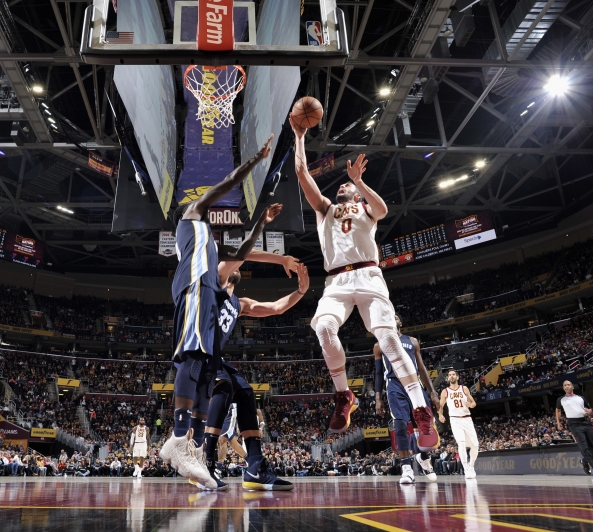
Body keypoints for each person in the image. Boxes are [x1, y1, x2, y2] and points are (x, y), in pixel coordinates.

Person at [290, 117, 439, 449]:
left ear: (356, 194)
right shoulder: (326, 210)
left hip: (369, 275)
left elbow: (383, 210)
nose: (341, 187)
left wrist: (359, 181)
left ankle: (421, 411)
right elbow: (302, 174)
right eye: (341, 186)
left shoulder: (365, 209)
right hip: (337, 280)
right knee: (324, 328)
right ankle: (345, 394)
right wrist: (299, 136)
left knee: (388, 340)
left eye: (347, 187)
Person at [160, 133, 275, 489]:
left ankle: (194, 450)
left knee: (208, 374)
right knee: (193, 358)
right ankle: (178, 439)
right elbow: (227, 183)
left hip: (207, 298)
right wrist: (255, 161)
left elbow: (240, 252)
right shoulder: (191, 218)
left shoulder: (210, 244)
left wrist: (262, 225)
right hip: (194, 291)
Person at [196, 263, 310, 491]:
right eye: (235, 263)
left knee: (246, 392)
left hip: (215, 357)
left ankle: (255, 468)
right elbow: (235, 257)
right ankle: (205, 463)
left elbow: (276, 307)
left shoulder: (240, 303)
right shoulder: (211, 287)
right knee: (225, 384)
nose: (239, 266)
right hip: (197, 352)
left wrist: (301, 291)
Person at [374, 314, 439, 484]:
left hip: (414, 383)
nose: (391, 318)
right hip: (395, 385)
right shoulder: (379, 345)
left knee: (425, 425)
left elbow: (422, 368)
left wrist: (432, 391)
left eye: (395, 316)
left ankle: (423, 457)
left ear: (400, 322)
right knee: (400, 425)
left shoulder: (412, 341)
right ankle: (407, 469)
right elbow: (379, 373)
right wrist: (378, 397)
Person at [556, 380, 593, 477]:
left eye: (568, 384)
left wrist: (590, 412)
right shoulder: (561, 399)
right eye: (565, 385)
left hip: (586, 422)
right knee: (584, 447)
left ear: (572, 386)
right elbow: (558, 411)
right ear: (563, 388)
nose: (567, 386)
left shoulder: (581, 398)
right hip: (574, 424)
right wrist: (559, 422)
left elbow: (590, 410)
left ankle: (584, 460)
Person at [438, 369, 479, 479]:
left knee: (475, 445)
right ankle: (465, 468)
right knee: (461, 442)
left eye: (453, 374)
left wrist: (470, 405)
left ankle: (471, 467)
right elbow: (440, 406)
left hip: (467, 418)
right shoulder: (445, 391)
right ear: (448, 378)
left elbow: (474, 403)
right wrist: (440, 415)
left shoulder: (464, 388)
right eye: (449, 375)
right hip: (455, 420)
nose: (451, 376)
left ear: (457, 377)